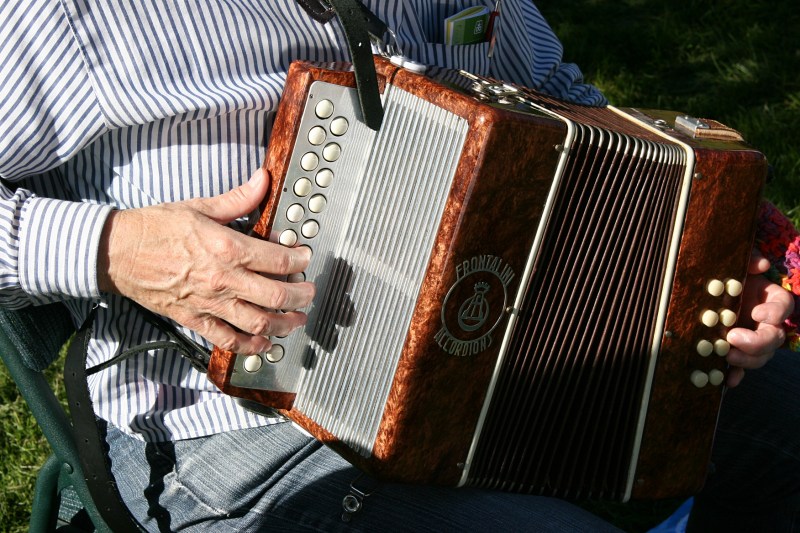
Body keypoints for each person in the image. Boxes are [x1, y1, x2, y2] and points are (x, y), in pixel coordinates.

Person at [0, 0, 796, 530]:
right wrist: (113, 249)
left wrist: (698, 260)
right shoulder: (65, 17)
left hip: (529, 365)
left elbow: (556, 91)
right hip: (241, 433)